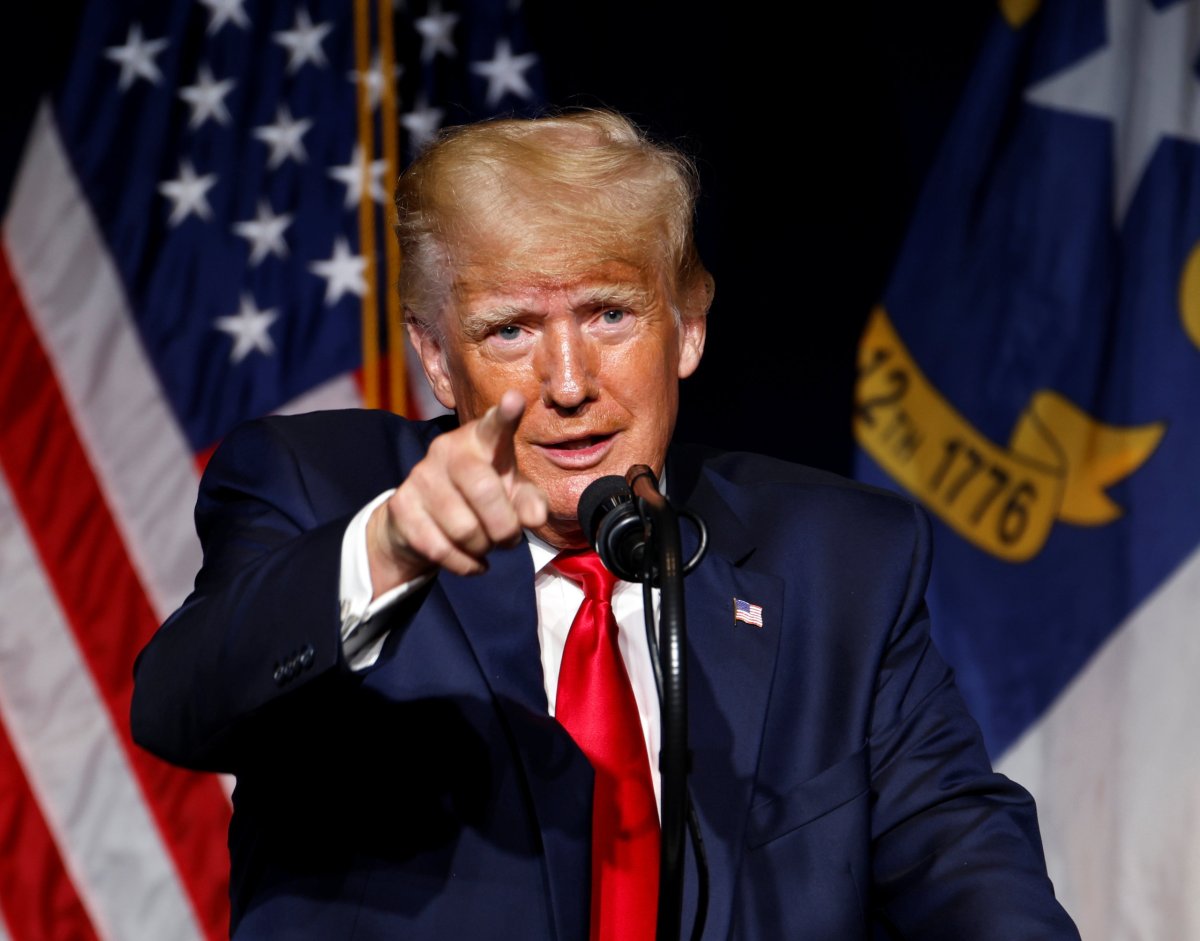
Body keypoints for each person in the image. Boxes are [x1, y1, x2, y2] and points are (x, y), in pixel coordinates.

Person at [131, 108, 1079, 940]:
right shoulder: (317, 487)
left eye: (611, 314)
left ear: (691, 324)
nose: (571, 383)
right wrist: (391, 547)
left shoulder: (841, 563)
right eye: (510, 330)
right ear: (435, 355)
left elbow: (966, 863)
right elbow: (181, 702)